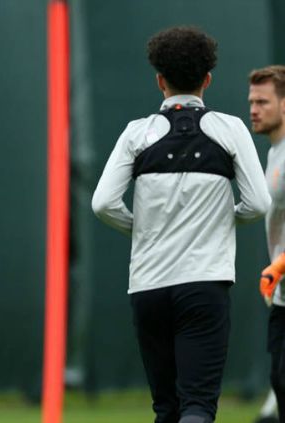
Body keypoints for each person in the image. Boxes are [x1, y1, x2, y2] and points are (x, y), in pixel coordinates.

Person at [92, 27, 271, 423]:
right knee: (198, 406)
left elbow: (103, 203)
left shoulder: (136, 132)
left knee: (166, 408)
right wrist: (219, 221)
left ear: (160, 80)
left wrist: (141, 229)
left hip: (147, 287)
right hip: (204, 285)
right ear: (208, 78)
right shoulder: (230, 129)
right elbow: (258, 203)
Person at [248, 65, 285, 423]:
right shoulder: (274, 153)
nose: (254, 109)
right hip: (281, 297)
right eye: (251, 101)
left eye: (263, 101)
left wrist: (279, 264)